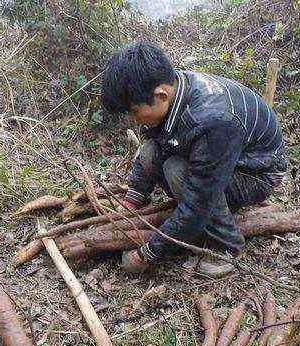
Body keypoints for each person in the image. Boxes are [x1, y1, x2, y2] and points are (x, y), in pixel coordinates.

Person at [101, 41, 287, 277]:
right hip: (221, 152)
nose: (133, 119)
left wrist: (148, 253)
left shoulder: (214, 121)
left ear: (161, 95)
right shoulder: (174, 85)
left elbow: (199, 201)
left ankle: (226, 246)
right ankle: (148, 199)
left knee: (176, 170)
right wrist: (131, 201)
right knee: (149, 151)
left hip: (257, 172)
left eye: (134, 111)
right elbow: (156, 141)